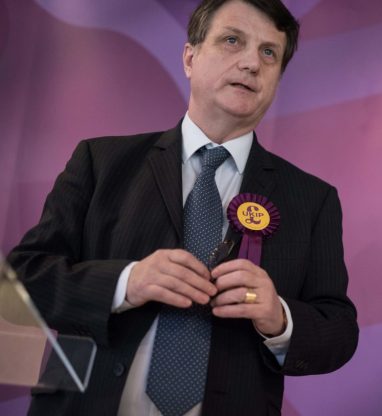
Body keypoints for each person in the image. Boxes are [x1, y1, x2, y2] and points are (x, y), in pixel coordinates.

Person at [7, 0, 358, 414]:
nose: (251, 63)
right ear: (190, 57)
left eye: (269, 52)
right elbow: (21, 284)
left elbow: (338, 332)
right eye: (232, 41)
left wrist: (279, 318)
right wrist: (125, 283)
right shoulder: (100, 163)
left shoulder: (312, 199)